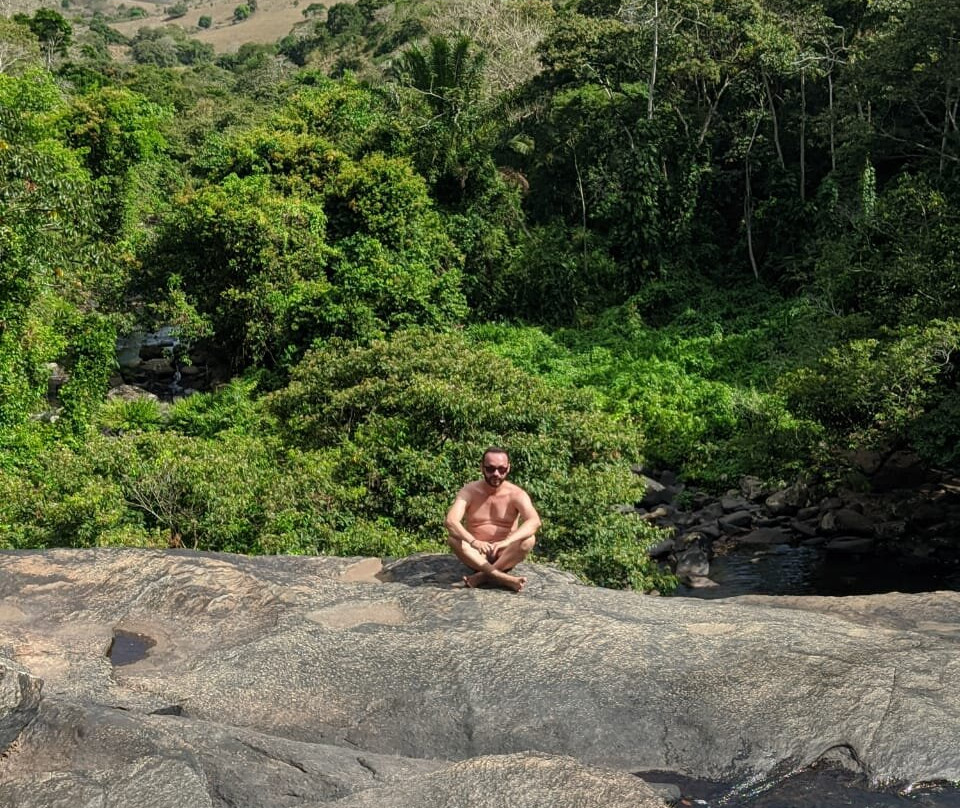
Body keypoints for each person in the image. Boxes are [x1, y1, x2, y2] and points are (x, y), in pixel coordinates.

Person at [445, 447, 541, 592]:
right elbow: (451, 521)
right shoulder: (470, 491)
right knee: (453, 539)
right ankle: (502, 578)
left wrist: (506, 542)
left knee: (529, 540)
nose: (496, 474)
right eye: (490, 469)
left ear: (508, 468)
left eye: (501, 469)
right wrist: (474, 542)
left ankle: (482, 577)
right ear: (482, 468)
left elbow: (534, 521)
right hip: (476, 555)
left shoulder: (516, 494)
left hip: (505, 554)